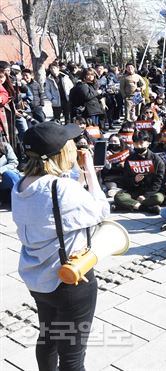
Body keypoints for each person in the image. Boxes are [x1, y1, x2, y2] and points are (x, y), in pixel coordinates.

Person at [12, 122, 109, 370]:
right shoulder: (63, 188)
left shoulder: (20, 185)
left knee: (48, 336)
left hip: (38, 280)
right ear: (61, 152)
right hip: (70, 280)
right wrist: (89, 170)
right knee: (73, 355)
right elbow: (101, 210)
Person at [113, 130, 166, 214]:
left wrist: (146, 196)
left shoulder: (157, 160)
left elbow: (158, 183)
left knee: (158, 198)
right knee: (119, 197)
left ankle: (131, 205)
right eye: (136, 143)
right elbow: (125, 180)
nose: (138, 146)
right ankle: (146, 208)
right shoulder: (130, 159)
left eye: (141, 143)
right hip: (135, 191)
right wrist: (134, 180)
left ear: (148, 143)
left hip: (151, 192)